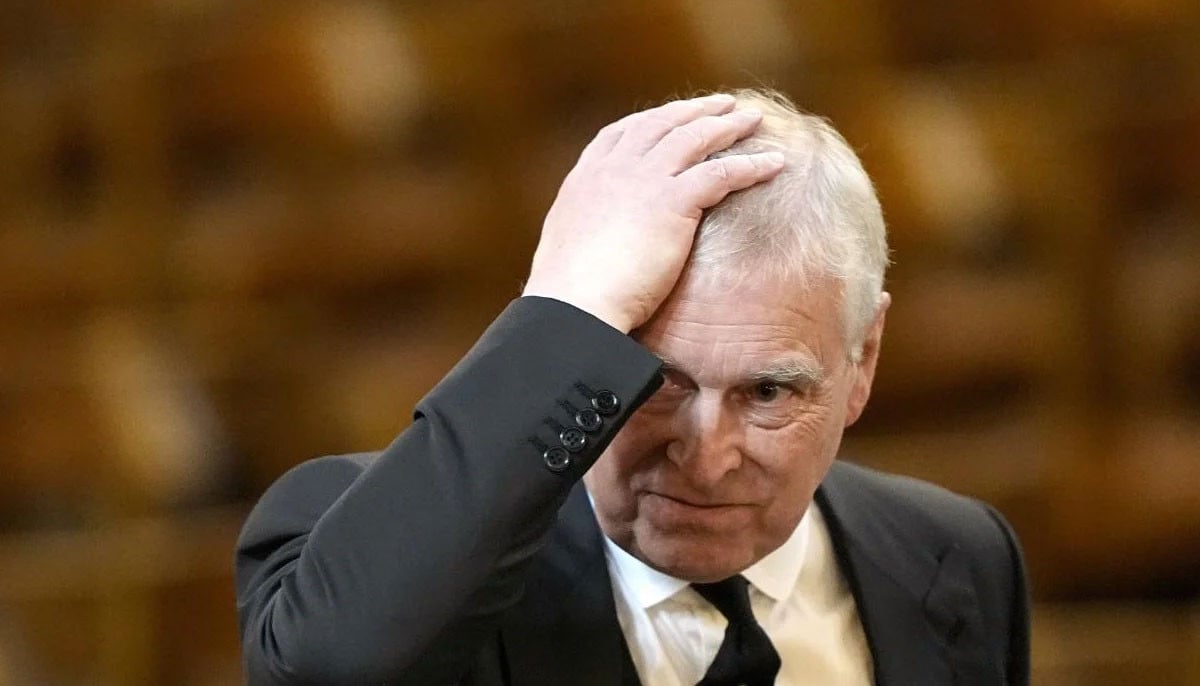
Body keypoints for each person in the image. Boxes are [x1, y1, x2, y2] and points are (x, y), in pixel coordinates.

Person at [235, 89, 1030, 685]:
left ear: (863, 361)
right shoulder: (384, 549)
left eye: (767, 394)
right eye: (658, 383)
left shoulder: (956, 556)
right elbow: (326, 673)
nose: (707, 460)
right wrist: (566, 307)